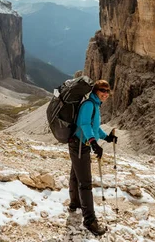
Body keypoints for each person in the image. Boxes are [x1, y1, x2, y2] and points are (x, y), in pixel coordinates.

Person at [68, 79, 118, 237]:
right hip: (80, 145)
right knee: (86, 183)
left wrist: (106, 138)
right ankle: (89, 220)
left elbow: (94, 128)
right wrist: (93, 143)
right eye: (102, 90)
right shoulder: (89, 104)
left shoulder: (95, 105)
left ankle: (74, 203)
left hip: (80, 144)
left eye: (107, 91)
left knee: (76, 174)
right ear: (95, 91)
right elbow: (84, 125)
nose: (105, 94)